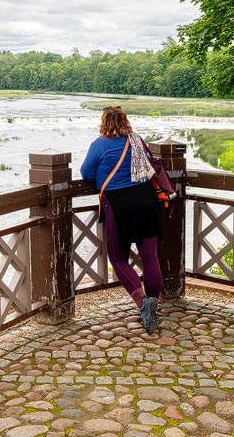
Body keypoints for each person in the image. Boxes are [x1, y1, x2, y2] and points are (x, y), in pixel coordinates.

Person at [80, 106, 163, 334]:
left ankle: (143, 304)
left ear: (104, 122)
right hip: (146, 201)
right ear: (125, 120)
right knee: (150, 257)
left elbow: (86, 174)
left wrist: (103, 176)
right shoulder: (137, 140)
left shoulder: (99, 145)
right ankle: (153, 305)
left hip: (118, 205)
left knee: (118, 258)